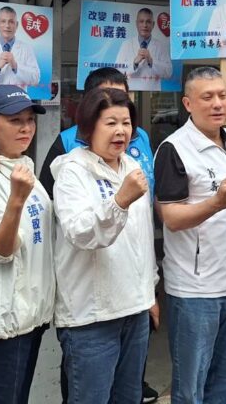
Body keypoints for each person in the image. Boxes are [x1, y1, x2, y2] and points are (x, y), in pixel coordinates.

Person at [37, 66, 159, 404]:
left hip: (135, 309)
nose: (121, 131)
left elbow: (142, 241)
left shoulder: (132, 167)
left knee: (129, 397)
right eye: (111, 123)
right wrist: (119, 202)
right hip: (91, 317)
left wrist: (150, 291)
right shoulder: (71, 171)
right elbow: (81, 233)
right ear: (88, 127)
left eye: (126, 123)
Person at [154, 66, 226, 404]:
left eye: (222, 96)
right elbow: (170, 217)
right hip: (197, 290)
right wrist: (216, 203)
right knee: (191, 384)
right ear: (188, 103)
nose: (217, 104)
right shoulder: (174, 149)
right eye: (207, 97)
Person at [0, 85, 54, 404]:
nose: (25, 127)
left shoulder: (23, 165)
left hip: (31, 318)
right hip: (5, 325)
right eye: (15, 120)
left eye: (29, 120)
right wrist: (16, 200)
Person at [0, 6, 41, 89]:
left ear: (16, 25)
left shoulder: (26, 48)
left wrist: (15, 66)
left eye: (11, 22)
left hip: (18, 96)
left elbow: (36, 79)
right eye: (3, 21)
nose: (7, 25)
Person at [116, 7, 173, 91]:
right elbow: (117, 72)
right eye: (141, 21)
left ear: (153, 24)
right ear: (136, 23)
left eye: (148, 22)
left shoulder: (161, 46)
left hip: (153, 93)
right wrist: (134, 63)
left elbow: (168, 73)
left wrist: (151, 61)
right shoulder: (126, 44)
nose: (145, 25)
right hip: (130, 92)